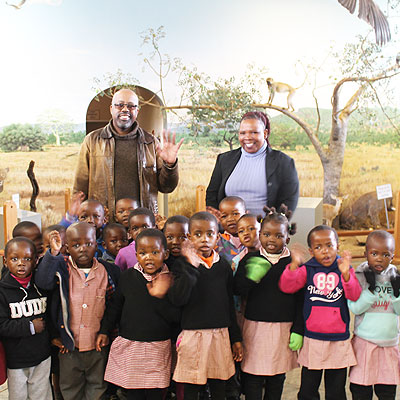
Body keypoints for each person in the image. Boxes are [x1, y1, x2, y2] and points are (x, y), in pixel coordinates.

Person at [35, 222, 120, 400]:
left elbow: (114, 306)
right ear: (67, 247)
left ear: (96, 245)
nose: (83, 249)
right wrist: (54, 253)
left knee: (97, 388)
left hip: (97, 345)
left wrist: (105, 331)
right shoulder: (62, 268)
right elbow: (43, 282)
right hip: (68, 347)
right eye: (76, 245)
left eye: (88, 244)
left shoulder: (109, 271)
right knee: (70, 388)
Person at [279, 225, 362, 400]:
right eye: (318, 247)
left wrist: (346, 275)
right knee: (308, 389)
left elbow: (354, 295)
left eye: (329, 246)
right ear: (311, 250)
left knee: (336, 390)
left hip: (338, 339)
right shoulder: (308, 269)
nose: (325, 252)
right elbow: (287, 287)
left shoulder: (344, 268)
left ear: (337, 246)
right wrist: (294, 266)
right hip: (313, 339)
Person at [73, 88, 183, 219]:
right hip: (104, 222)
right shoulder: (92, 141)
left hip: (142, 223)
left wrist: (169, 165)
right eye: (120, 105)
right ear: (111, 109)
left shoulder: (151, 142)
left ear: (137, 111)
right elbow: (80, 188)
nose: (125, 109)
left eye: (131, 106)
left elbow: (166, 188)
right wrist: (79, 220)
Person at [96, 229, 180, 400]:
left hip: (159, 347)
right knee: (133, 394)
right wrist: (105, 330)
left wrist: (160, 297)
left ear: (166, 254)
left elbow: (177, 317)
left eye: (154, 252)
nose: (148, 257)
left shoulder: (171, 280)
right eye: (143, 253)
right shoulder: (128, 277)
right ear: (136, 255)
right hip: (132, 346)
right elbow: (115, 307)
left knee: (156, 393)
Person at [168, 211, 243, 400]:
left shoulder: (223, 266)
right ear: (190, 237)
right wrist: (191, 268)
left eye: (210, 234)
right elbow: (178, 299)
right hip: (193, 336)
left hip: (220, 334)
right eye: (198, 234)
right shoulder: (182, 265)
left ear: (217, 238)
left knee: (219, 386)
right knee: (192, 387)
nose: (204, 239)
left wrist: (235, 338)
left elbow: (228, 304)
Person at [233, 207, 301, 400]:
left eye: (278, 235)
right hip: (255, 327)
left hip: (283, 328)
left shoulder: (293, 263)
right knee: (253, 375)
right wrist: (250, 278)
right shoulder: (251, 258)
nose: (271, 239)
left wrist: (298, 329)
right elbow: (237, 289)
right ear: (259, 234)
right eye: (266, 234)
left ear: (287, 238)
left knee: (277, 376)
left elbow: (300, 299)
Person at [206, 111, 299, 217]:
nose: (248, 137)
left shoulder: (284, 162)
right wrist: (218, 219)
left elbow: (289, 201)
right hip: (228, 230)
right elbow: (212, 195)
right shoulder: (224, 160)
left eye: (254, 132)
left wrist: (272, 227)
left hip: (266, 230)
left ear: (265, 134)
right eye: (243, 133)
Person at [348, 230, 400, 400]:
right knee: (361, 390)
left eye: (386, 254)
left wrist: (396, 294)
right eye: (374, 253)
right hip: (365, 342)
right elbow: (355, 308)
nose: (379, 258)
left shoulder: (395, 276)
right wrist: (370, 291)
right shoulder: (361, 275)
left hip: (389, 345)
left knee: (387, 392)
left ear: (392, 256)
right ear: (366, 254)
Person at [0, 237, 52, 400]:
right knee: (18, 396)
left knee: (41, 395)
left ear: (36, 261)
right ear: (5, 261)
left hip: (42, 355)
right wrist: (30, 326)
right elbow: (2, 325)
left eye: (27, 259)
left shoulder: (41, 286)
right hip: (16, 359)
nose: (21, 263)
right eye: (15, 259)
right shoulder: (2, 291)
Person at [216, 196, 246, 264]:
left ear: (245, 214)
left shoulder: (254, 239)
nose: (230, 219)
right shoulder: (217, 242)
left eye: (235, 214)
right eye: (224, 216)